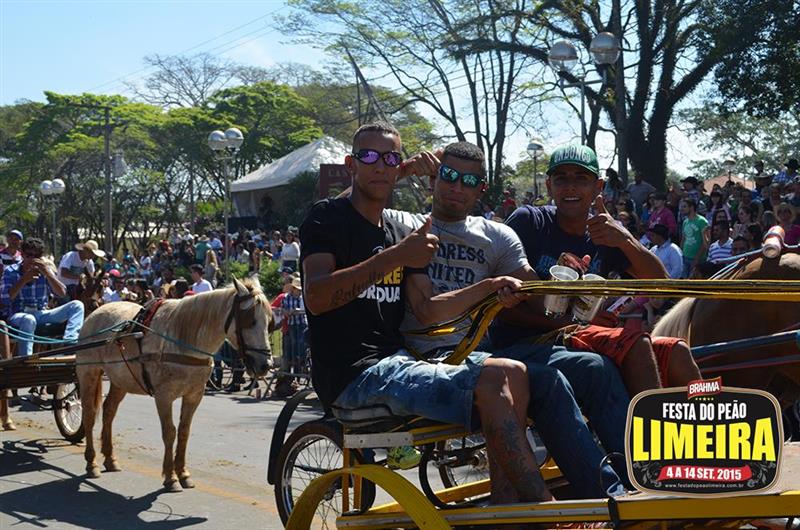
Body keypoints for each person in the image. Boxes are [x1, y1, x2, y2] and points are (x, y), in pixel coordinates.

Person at [301, 122, 551, 504]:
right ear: (351, 164)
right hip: (352, 375)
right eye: (369, 156)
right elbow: (316, 297)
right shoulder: (327, 217)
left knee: (512, 371)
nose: (380, 165)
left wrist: (488, 288)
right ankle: (542, 508)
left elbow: (428, 309)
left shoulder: (400, 233)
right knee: (493, 382)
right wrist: (395, 257)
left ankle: (505, 509)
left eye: (391, 159)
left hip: (400, 362)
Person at [383, 140, 629, 498]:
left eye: (469, 181)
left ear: (481, 189)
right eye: (448, 175)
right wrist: (400, 172)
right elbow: (338, 216)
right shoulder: (402, 225)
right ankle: (609, 498)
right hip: (426, 360)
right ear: (434, 179)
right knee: (546, 381)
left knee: (594, 368)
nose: (457, 187)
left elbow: (535, 294)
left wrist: (570, 286)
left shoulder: (496, 236)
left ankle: (635, 485)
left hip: (485, 354)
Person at [492, 144, 701, 395]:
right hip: (526, 343)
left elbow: (662, 285)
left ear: (598, 187)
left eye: (581, 179)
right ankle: (646, 421)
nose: (570, 187)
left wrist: (625, 239)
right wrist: (572, 324)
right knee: (636, 344)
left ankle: (704, 420)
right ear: (549, 186)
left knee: (678, 351)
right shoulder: (529, 221)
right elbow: (500, 307)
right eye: (561, 179)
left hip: (581, 338)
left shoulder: (606, 233)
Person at [0, 238, 84, 357]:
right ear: (22, 254)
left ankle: (70, 342)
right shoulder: (10, 271)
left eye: (37, 256)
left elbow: (62, 293)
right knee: (29, 319)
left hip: (41, 313)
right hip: (18, 315)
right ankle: (26, 358)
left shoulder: (45, 271)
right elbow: (5, 300)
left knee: (77, 305)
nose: (33, 259)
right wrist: (23, 280)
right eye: (29, 255)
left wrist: (48, 274)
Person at [679, 198, 709, 278]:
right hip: (685, 257)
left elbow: (705, 242)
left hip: (698, 259)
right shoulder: (685, 221)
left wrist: (697, 258)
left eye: (684, 206)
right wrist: (680, 253)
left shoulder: (702, 221)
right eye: (681, 206)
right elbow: (683, 239)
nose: (681, 209)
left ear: (691, 207)